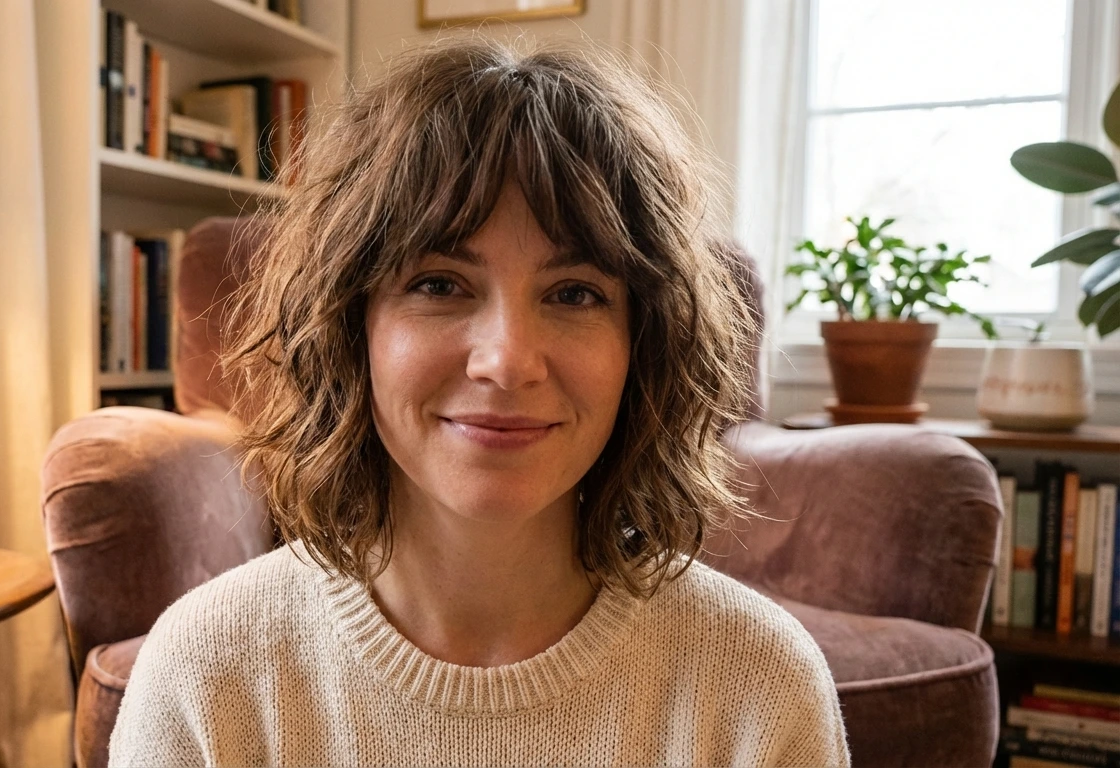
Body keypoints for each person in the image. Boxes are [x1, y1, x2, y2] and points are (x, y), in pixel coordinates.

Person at [109, 35, 850, 767]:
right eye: (439, 284)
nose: (507, 362)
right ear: (350, 326)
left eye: (574, 293)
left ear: (643, 349)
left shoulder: (761, 686)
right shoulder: (205, 674)